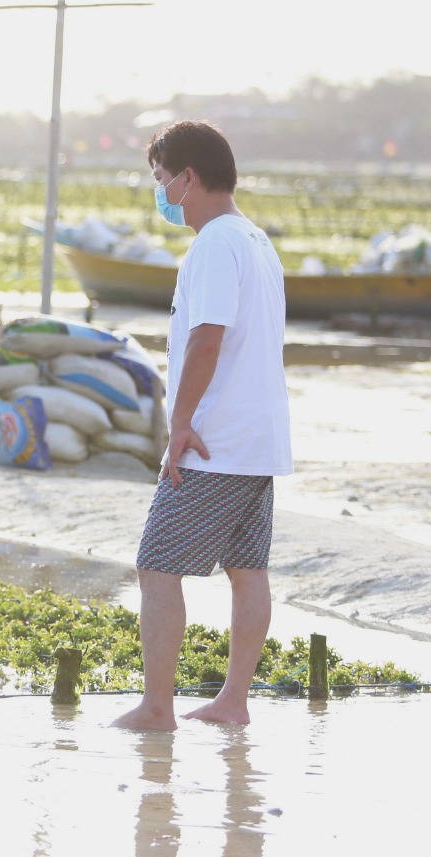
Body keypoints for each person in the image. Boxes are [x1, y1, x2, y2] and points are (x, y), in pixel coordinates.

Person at [112, 120, 292, 730]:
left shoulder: (215, 243)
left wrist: (180, 425)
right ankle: (233, 701)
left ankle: (156, 708)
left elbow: (207, 339)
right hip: (258, 439)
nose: (160, 192)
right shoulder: (257, 240)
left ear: (188, 178)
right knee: (247, 569)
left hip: (216, 440)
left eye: (161, 179)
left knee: (157, 565)